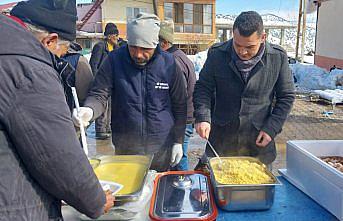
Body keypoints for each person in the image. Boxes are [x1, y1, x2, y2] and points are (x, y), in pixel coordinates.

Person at [0, 1, 113, 220]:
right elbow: (57, 155)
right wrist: (96, 200)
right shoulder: (27, 68)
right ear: (50, 40)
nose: (61, 57)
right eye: (63, 50)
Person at [73, 13, 187, 172]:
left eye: (145, 49)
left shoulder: (169, 64)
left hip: (161, 146)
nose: (138, 54)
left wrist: (178, 140)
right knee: (130, 191)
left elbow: (180, 105)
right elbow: (99, 94)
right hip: (126, 147)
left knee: (157, 191)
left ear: (155, 44)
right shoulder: (114, 61)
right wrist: (89, 110)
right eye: (133, 47)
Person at [193, 11, 295, 169]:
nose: (242, 51)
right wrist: (203, 116)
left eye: (249, 47)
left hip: (258, 144)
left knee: (255, 191)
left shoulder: (277, 58)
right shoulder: (217, 54)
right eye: (237, 44)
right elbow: (203, 88)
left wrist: (271, 128)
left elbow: (286, 97)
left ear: (263, 37)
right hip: (221, 142)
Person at [159, 19, 196, 171]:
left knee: (179, 156)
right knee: (178, 155)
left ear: (165, 42)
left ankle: (182, 187)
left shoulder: (173, 61)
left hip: (182, 119)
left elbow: (178, 97)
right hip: (184, 117)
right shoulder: (180, 56)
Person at [89, 23, 126, 139]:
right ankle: (100, 130)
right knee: (102, 106)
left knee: (110, 106)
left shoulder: (116, 49)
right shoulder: (100, 47)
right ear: (109, 36)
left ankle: (108, 128)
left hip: (112, 81)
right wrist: (96, 82)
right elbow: (93, 65)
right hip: (101, 82)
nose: (117, 38)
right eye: (116, 35)